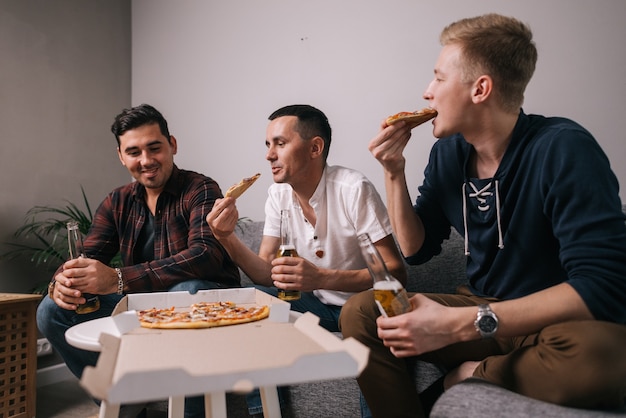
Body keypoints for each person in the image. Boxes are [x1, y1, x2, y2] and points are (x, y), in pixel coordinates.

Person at [339, 13, 626, 418]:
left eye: (439, 78)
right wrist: (392, 171)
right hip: (479, 305)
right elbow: (415, 248)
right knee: (362, 311)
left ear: (481, 89)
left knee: (605, 358)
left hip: (551, 325)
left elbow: (601, 288)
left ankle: (468, 377)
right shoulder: (449, 154)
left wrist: (459, 327)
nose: (427, 92)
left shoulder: (564, 149)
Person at [37, 103, 241, 418]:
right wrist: (62, 283)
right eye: (133, 152)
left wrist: (118, 280)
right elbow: (86, 258)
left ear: (172, 145)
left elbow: (205, 256)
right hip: (141, 309)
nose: (145, 161)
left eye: (154, 148)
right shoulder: (116, 201)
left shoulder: (201, 188)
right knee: (51, 311)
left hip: (203, 307)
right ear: (121, 156)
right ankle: (125, 400)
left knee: (187, 291)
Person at [206, 104, 406, 416]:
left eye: (280, 143)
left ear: (315, 148)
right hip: (318, 306)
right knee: (252, 304)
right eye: (268, 145)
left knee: (363, 317)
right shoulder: (278, 195)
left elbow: (396, 273)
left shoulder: (353, 189)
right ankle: (268, 413)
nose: (269, 155)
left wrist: (322, 278)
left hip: (367, 309)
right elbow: (264, 274)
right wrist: (226, 237)